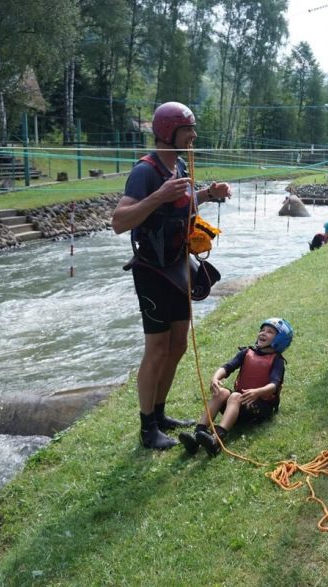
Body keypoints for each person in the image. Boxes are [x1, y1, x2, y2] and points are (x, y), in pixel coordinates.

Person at [111, 101, 233, 450]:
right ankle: (147, 427)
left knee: (178, 344)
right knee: (157, 348)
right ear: (168, 133)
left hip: (178, 264)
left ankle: (161, 413)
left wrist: (208, 194)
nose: (194, 135)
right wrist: (159, 195)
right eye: (187, 130)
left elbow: (180, 204)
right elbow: (119, 222)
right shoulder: (145, 171)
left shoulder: (180, 163)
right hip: (152, 271)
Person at [178, 318, 293, 456]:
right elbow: (227, 367)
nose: (263, 333)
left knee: (235, 396)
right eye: (262, 330)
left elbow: (274, 385)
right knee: (221, 393)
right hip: (239, 404)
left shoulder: (277, 361)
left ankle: (216, 440)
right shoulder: (247, 353)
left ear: (280, 339)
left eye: (270, 332)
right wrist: (215, 378)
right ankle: (198, 434)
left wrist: (257, 392)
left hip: (260, 408)